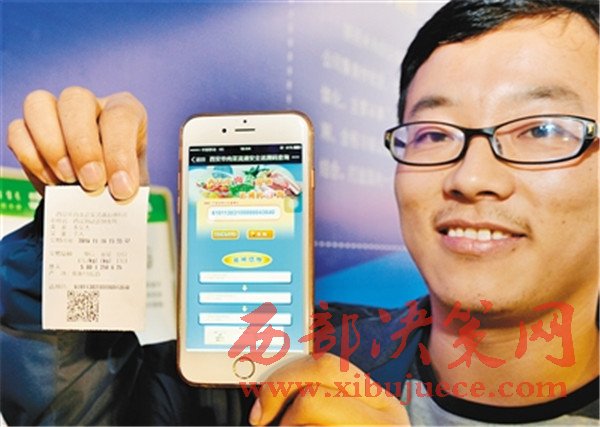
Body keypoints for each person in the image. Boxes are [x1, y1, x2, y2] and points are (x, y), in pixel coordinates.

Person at [2, 0, 598, 425]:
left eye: (542, 130)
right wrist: (82, 216)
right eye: (434, 133)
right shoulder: (280, 363)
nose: (471, 177)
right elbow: (80, 406)